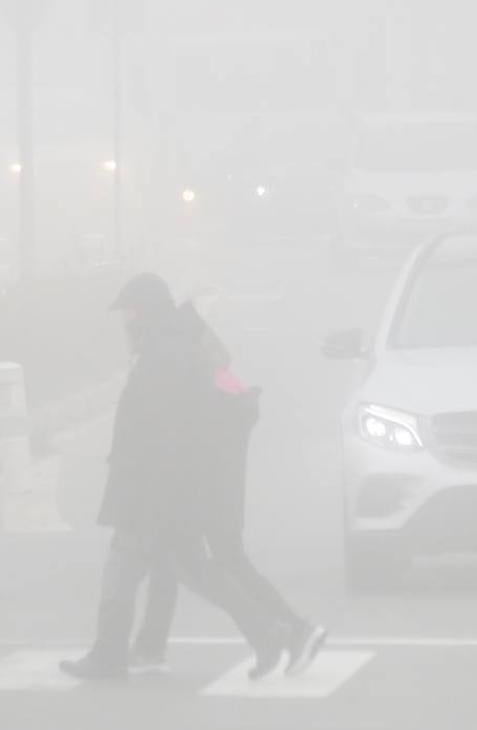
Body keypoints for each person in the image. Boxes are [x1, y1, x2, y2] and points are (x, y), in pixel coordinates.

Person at [60, 272, 288, 681]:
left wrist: (145, 495)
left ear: (145, 312)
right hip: (167, 492)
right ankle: (266, 635)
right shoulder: (170, 350)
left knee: (121, 573)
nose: (126, 322)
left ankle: (109, 656)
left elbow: (160, 434)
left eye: (129, 311)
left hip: (150, 494)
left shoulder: (163, 357)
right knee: (197, 573)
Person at [128, 303, 328, 677]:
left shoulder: (182, 369)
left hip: (202, 490)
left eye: (133, 314)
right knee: (207, 563)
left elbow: (180, 436)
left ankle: (285, 633)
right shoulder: (210, 369)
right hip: (218, 487)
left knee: (201, 564)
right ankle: (279, 637)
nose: (129, 326)